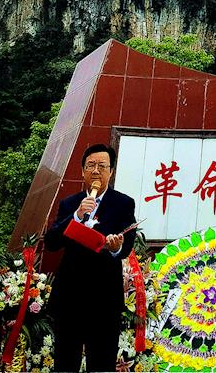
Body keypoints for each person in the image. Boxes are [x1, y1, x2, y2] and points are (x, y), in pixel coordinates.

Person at [44, 142, 138, 371]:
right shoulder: (70, 203)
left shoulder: (123, 203)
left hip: (104, 299)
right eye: (91, 165)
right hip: (69, 298)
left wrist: (115, 247)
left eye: (102, 166)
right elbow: (51, 242)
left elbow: (126, 247)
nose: (96, 171)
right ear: (82, 171)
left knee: (102, 364)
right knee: (65, 363)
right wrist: (77, 216)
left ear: (111, 171)